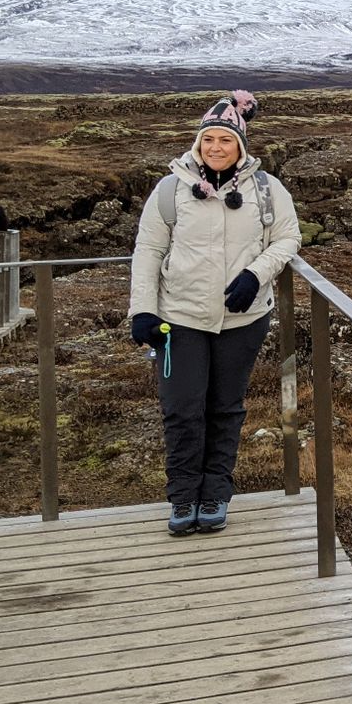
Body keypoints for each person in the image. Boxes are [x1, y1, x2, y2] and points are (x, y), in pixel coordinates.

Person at [128, 91, 301, 538]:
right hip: (179, 318)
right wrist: (142, 310)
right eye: (209, 139)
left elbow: (288, 239)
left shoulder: (266, 189)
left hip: (242, 319)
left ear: (240, 145)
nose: (216, 148)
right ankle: (183, 496)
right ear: (198, 143)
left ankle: (215, 494)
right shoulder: (170, 190)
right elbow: (148, 251)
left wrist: (255, 275)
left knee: (225, 409)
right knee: (182, 410)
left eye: (226, 140)